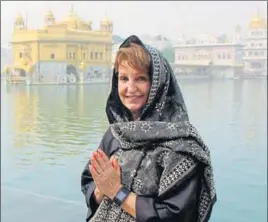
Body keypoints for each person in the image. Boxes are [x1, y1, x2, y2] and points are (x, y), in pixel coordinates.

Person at [81, 35, 217, 222]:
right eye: (123, 78)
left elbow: (177, 215)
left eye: (141, 78)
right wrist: (99, 190)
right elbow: (90, 182)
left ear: (158, 84)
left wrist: (117, 192)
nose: (130, 87)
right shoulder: (116, 134)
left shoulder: (180, 146)